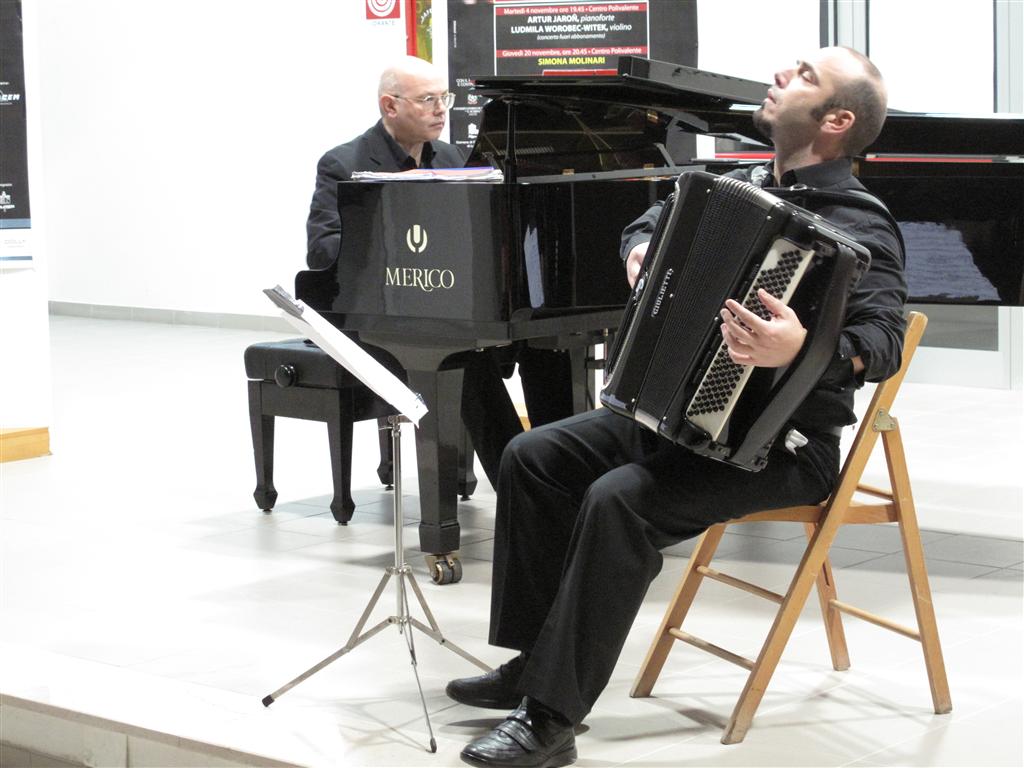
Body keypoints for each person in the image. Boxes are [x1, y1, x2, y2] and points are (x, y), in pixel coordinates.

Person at [445, 46, 908, 768]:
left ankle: (551, 716)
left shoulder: (862, 223)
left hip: (778, 447)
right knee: (531, 457)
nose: (781, 75)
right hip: (679, 419)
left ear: (836, 120)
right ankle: (534, 664)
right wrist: (639, 252)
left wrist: (801, 349)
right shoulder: (738, 180)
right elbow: (648, 223)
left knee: (619, 501)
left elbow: (882, 341)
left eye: (804, 77)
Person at [304, 55, 571, 487]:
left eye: (443, 98)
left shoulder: (452, 158)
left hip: (451, 305)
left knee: (548, 346)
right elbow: (322, 251)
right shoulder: (344, 163)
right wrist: (393, 254)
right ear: (390, 106)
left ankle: (563, 476)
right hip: (380, 318)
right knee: (466, 363)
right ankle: (522, 490)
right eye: (427, 100)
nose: (441, 109)